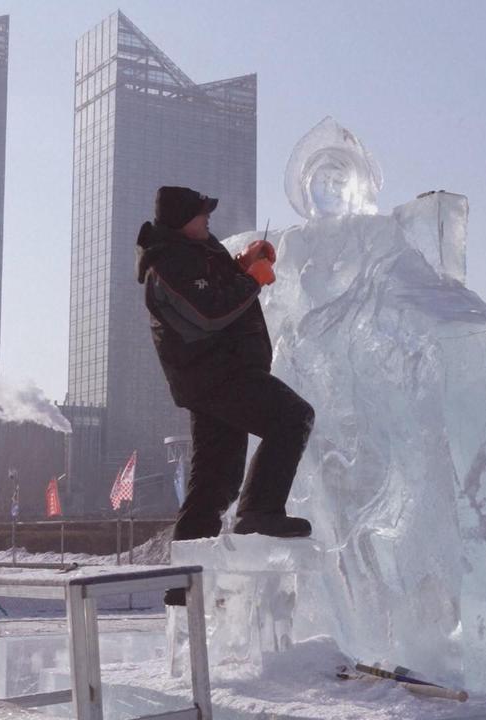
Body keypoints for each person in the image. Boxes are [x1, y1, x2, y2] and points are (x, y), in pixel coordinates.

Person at [136, 186, 316, 605]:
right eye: (202, 214)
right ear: (183, 220)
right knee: (293, 417)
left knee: (215, 482)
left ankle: (186, 586)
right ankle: (260, 512)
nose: (208, 219)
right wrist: (251, 281)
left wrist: (244, 263)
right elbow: (209, 312)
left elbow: (216, 287)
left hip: (221, 375)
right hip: (217, 375)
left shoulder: (193, 250)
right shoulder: (167, 262)